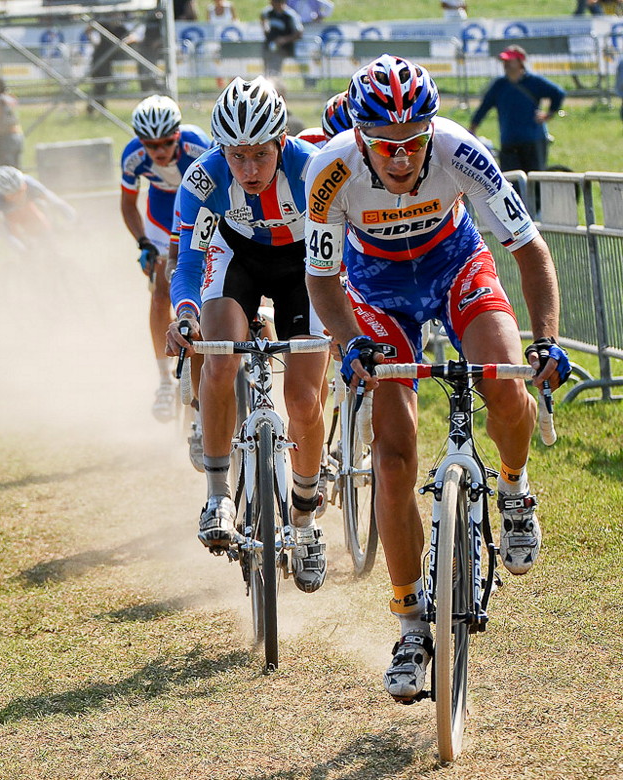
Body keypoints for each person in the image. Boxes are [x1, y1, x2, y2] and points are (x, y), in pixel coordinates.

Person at [304, 54, 570, 703]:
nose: (400, 158)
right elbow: (319, 278)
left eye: (413, 142)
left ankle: (513, 489)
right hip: (375, 291)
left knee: (505, 382)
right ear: (361, 136)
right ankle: (409, 625)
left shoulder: (461, 150)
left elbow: (530, 252)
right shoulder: (329, 169)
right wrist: (350, 342)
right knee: (392, 460)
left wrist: (547, 342)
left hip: (457, 268)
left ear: (431, 130)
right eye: (385, 145)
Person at [165, 77, 329, 594]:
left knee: (303, 398)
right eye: (237, 157)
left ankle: (304, 521)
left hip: (306, 266)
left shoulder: (313, 170)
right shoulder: (204, 180)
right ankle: (217, 494)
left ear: (283, 141)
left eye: (260, 154)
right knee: (218, 359)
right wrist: (186, 314)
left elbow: (344, 248)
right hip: (237, 262)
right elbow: (189, 260)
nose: (250, 169)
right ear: (221, 150)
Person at [120, 95, 213, 423]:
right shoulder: (132, 156)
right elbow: (128, 204)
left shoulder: (198, 146)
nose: (158, 152)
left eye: (165, 143)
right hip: (161, 216)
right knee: (161, 290)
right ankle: (163, 381)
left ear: (177, 136)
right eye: (150, 145)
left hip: (199, 210)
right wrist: (143, 242)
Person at [469, 45, 566, 175]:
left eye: (510, 61)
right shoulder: (499, 85)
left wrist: (548, 114)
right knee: (512, 181)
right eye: (504, 61)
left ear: (520, 62)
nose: (506, 64)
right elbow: (484, 107)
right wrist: (472, 128)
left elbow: (558, 93)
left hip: (533, 140)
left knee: (534, 181)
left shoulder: (534, 82)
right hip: (509, 140)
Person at [0, 165, 76, 254]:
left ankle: (53, 250)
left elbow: (55, 201)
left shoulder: (29, 183)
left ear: (24, 185)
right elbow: (4, 231)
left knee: (37, 215)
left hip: (27, 206)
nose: (18, 197)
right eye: (12, 195)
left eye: (20, 192)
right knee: (9, 226)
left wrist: (73, 218)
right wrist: (22, 250)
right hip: (6, 212)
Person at [85, 15, 129, 112]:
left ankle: (97, 106)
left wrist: (120, 46)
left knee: (104, 83)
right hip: (98, 57)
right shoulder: (104, 25)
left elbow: (129, 37)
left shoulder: (121, 29)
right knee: (97, 83)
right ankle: (96, 107)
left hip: (109, 59)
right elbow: (88, 29)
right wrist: (93, 41)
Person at [260, 0, 304, 77]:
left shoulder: (290, 15)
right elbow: (262, 16)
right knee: (266, 68)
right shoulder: (269, 12)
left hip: (284, 48)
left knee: (275, 70)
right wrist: (265, 28)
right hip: (270, 45)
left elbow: (299, 33)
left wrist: (284, 40)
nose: (272, 4)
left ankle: (275, 84)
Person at [0, 78, 24, 169]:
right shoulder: (9, 98)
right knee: (16, 170)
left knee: (6, 171)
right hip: (17, 135)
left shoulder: (1, 99)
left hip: (5, 138)